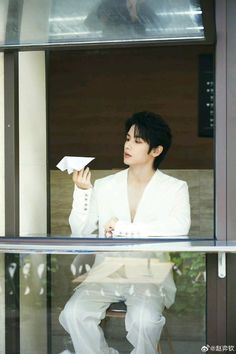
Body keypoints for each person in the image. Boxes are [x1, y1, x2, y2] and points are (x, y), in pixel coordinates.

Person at [59, 111, 191, 354]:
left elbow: (179, 228)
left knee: (144, 321)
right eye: (127, 138)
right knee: (74, 313)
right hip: (106, 273)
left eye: (137, 141)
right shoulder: (105, 185)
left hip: (149, 275)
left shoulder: (175, 188)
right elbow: (80, 231)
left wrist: (124, 228)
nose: (128, 144)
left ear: (156, 150)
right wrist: (83, 192)